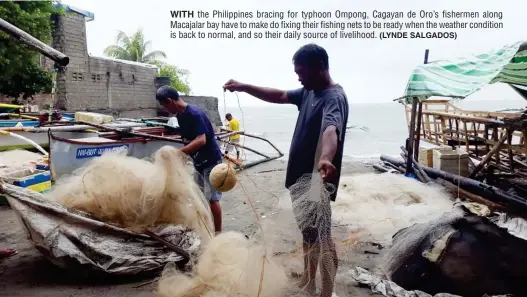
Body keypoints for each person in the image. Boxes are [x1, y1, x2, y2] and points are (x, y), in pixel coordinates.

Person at [223, 43, 348, 297]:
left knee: (322, 237)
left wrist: (325, 158)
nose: (298, 77)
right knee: (308, 232)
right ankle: (308, 280)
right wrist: (243, 86)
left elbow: (330, 129)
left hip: (315, 178)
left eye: (302, 72)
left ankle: (327, 292)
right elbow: (279, 95)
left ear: (321, 67)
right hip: (299, 176)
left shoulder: (333, 97)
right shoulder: (308, 91)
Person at [156, 86, 224, 234]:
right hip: (198, 162)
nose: (165, 109)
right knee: (199, 197)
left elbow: (201, 140)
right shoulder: (180, 117)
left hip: (211, 162)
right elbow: (189, 140)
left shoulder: (194, 113)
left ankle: (218, 233)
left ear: (170, 101)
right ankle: (206, 226)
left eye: (164, 105)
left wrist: (178, 153)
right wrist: (185, 156)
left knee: (212, 199)